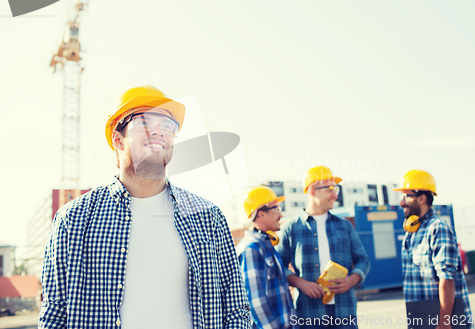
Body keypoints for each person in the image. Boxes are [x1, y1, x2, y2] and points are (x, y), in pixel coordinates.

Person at [39, 85, 251, 329]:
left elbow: (236, 309)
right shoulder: (73, 219)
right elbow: (54, 313)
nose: (159, 132)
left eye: (168, 126)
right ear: (118, 139)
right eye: (144, 122)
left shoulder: (208, 217)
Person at [276, 166, 370, 329]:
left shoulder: (345, 226)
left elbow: (363, 259)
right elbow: (279, 267)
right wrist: (300, 283)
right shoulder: (290, 228)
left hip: (344, 310)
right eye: (330, 189)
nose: (335, 195)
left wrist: (351, 280)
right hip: (308, 313)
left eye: (336, 189)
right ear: (312, 190)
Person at [393, 169, 473, 329]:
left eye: (407, 196)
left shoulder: (437, 229)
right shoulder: (412, 232)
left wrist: (444, 323)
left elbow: (447, 279)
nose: (402, 202)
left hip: (441, 321)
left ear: (422, 198)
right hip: (421, 316)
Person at [236, 186, 296, 329]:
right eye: (276, 209)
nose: (280, 215)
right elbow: (256, 302)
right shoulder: (251, 249)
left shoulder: (266, 245)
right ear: (261, 214)